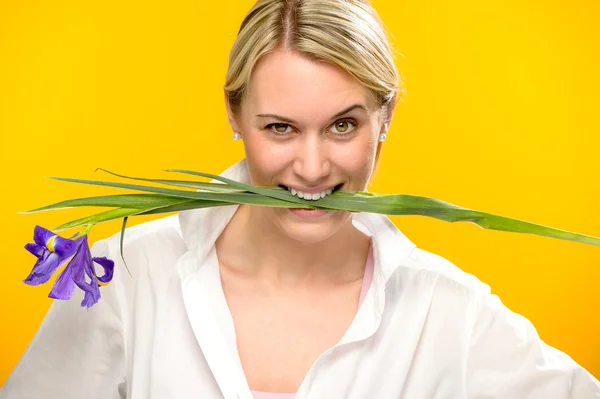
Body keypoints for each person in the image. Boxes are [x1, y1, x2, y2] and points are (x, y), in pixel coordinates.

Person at [2, 0, 599, 398]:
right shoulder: (125, 280)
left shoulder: (446, 309)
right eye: (280, 128)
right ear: (234, 115)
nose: (312, 169)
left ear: (385, 117)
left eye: (343, 126)